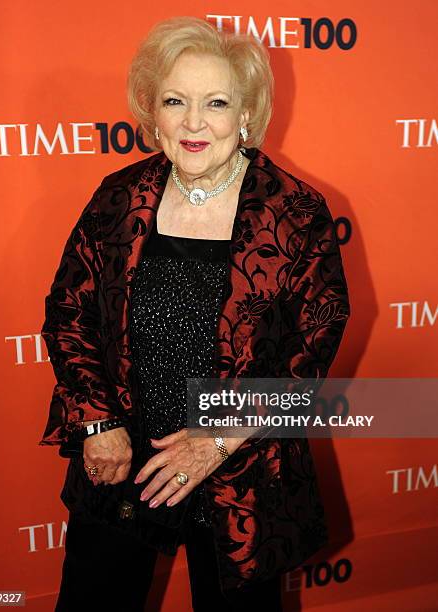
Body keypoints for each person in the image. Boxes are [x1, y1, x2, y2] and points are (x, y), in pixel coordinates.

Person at [39, 15, 350, 612]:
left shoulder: (296, 214)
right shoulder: (118, 197)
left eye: (216, 102)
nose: (193, 122)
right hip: (124, 450)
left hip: (240, 466)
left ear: (245, 116)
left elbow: (309, 351)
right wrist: (99, 424)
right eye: (174, 100)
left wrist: (217, 441)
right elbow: (68, 314)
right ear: (151, 110)